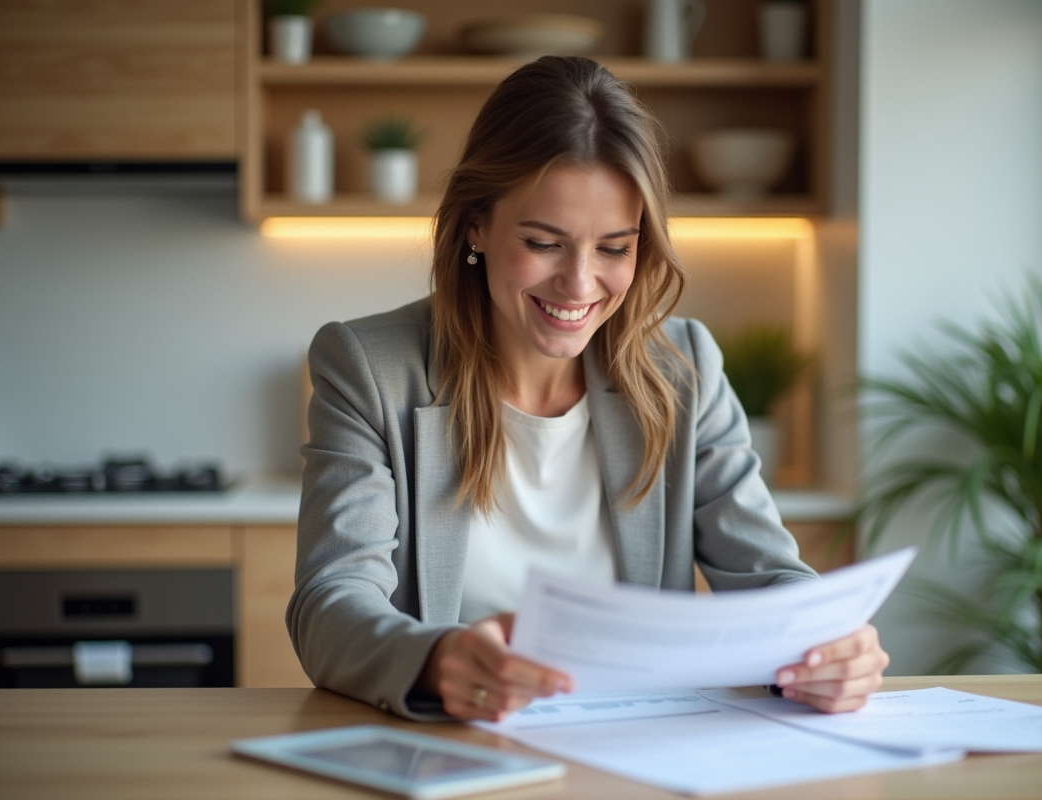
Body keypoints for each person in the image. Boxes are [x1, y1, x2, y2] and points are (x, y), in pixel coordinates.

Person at [287, 55, 888, 723]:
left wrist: (828, 646)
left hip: (637, 754)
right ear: (476, 226)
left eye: (614, 248)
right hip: (458, 751)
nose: (579, 284)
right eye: (544, 242)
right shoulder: (369, 367)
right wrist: (437, 660)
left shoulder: (683, 368)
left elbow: (770, 578)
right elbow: (331, 602)